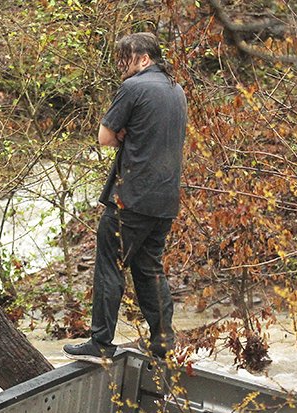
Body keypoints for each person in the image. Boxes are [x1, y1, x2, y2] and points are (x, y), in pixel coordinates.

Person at [63, 32, 187, 365]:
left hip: (131, 197)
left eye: (126, 59)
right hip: (165, 199)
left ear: (144, 58)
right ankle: (163, 343)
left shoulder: (134, 88)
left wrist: (124, 135)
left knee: (109, 266)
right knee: (149, 269)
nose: (122, 66)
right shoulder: (177, 90)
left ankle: (101, 342)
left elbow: (105, 136)